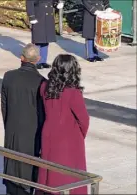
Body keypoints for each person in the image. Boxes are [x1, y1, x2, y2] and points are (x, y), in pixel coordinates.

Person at [37, 54, 90, 195]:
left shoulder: (44, 87)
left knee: (48, 173)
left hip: (48, 133)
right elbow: (84, 119)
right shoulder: (73, 92)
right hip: (69, 138)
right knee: (69, 176)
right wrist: (79, 136)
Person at [1, 43, 46, 195]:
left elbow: (4, 107)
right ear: (38, 59)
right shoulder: (41, 82)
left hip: (12, 129)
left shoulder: (9, 76)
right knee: (28, 171)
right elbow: (42, 113)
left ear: (21, 58)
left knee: (12, 170)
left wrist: (8, 125)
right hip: (32, 134)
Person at [26, 0, 64, 69]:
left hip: (48, 18)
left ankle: (43, 61)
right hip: (39, 17)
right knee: (38, 40)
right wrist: (31, 17)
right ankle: (37, 61)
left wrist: (56, 4)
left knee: (46, 40)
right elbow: (29, 3)